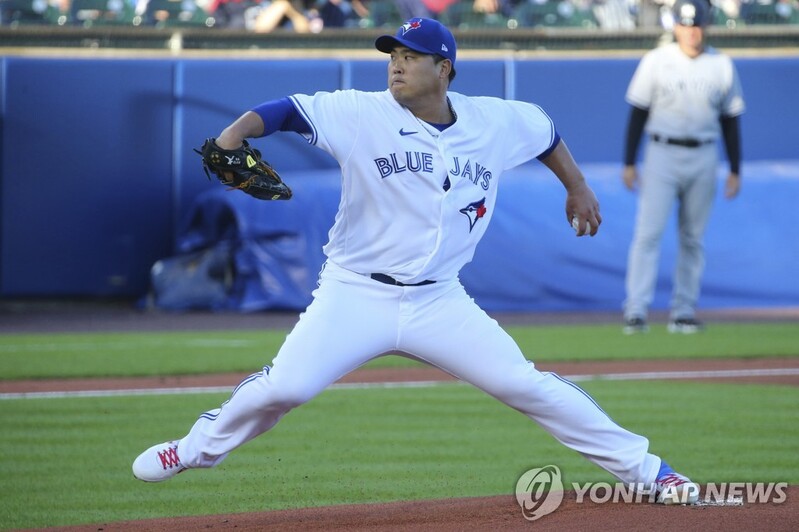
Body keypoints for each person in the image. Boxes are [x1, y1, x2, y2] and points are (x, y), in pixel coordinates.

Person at [132, 17, 699, 505]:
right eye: (393, 56)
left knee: (527, 386)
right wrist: (231, 139)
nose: (396, 66)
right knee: (287, 388)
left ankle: (652, 473)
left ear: (444, 68)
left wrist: (576, 187)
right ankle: (191, 450)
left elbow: (546, 130)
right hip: (355, 292)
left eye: (410, 57)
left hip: (439, 299)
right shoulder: (360, 113)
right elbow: (280, 112)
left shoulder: (493, 121)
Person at [621, 0, 745, 335]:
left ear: (707, 26)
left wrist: (735, 168)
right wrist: (629, 161)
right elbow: (638, 113)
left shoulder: (721, 64)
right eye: (686, 25)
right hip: (662, 152)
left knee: (693, 238)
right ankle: (636, 310)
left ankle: (684, 311)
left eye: (697, 24)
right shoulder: (657, 61)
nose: (692, 31)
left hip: (704, 154)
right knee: (648, 233)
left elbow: (731, 120)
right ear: (675, 25)